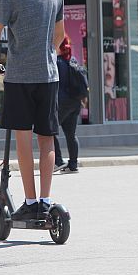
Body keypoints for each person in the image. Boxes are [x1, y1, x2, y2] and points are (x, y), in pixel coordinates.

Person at [0, 0, 65, 221]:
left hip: (19, 78)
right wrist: (46, 54)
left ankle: (30, 201)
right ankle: (46, 199)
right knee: (47, 139)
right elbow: (60, 35)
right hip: (49, 76)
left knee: (23, 138)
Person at [53, 36, 83, 174]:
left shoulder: (56, 62)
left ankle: (58, 161)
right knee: (71, 134)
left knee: (48, 131)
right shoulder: (73, 61)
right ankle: (73, 164)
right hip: (75, 102)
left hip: (61, 102)